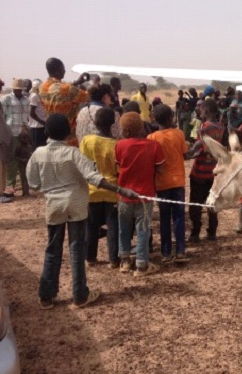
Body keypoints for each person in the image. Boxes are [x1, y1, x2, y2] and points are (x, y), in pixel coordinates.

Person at [26, 114, 137, 309]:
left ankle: (46, 296)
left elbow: (33, 183)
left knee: (53, 249)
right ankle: (79, 295)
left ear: (45, 132)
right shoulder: (73, 153)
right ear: (69, 134)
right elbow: (93, 177)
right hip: (76, 204)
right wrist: (120, 189)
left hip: (53, 206)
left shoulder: (38, 154)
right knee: (76, 249)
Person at [115, 112, 164, 276]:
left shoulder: (120, 145)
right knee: (143, 230)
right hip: (145, 196)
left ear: (126, 132)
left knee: (124, 229)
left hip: (124, 196)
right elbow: (160, 169)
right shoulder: (153, 145)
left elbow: (117, 167)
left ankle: (125, 261)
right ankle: (142, 265)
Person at [147, 104, 190, 263]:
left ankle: (166, 253)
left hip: (161, 183)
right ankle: (180, 250)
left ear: (154, 119)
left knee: (164, 218)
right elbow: (185, 155)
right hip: (178, 181)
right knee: (179, 216)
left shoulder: (151, 138)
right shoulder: (178, 134)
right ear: (171, 118)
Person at [79, 107, 121, 269]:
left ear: (95, 122)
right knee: (113, 226)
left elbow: (83, 165)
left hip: (91, 190)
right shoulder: (116, 145)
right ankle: (113, 259)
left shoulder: (87, 141)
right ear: (113, 123)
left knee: (91, 225)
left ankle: (90, 258)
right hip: (112, 191)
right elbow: (118, 170)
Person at [188, 99, 225, 243]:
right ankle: (212, 231)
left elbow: (200, 147)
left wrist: (190, 153)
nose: (200, 112)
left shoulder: (204, 126)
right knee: (212, 202)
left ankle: (195, 232)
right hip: (214, 170)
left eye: (202, 110)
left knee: (195, 204)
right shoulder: (221, 126)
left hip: (200, 171)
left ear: (207, 111)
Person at [40, 57, 90, 147]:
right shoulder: (66, 89)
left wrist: (77, 82)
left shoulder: (42, 88)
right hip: (68, 137)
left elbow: (56, 88)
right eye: (63, 68)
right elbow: (87, 97)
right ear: (58, 70)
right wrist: (83, 88)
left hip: (52, 135)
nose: (64, 71)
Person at [1, 79, 30, 200]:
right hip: (11, 133)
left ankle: (26, 190)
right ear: (13, 89)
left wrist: (26, 131)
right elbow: (3, 117)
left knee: (25, 161)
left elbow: (27, 116)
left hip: (24, 134)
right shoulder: (6, 99)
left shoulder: (26, 100)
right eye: (16, 89)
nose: (18, 91)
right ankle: (10, 190)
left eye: (20, 89)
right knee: (12, 163)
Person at [28, 79, 47, 149]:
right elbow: (32, 113)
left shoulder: (38, 95)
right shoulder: (34, 96)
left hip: (40, 125)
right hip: (36, 126)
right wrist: (42, 122)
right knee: (37, 147)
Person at [14, 129, 32, 197]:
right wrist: (22, 160)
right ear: (20, 138)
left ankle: (27, 192)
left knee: (28, 178)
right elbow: (15, 156)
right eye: (24, 137)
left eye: (27, 137)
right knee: (24, 178)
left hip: (28, 164)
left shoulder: (29, 146)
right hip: (22, 164)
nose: (26, 139)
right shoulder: (19, 147)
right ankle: (25, 193)